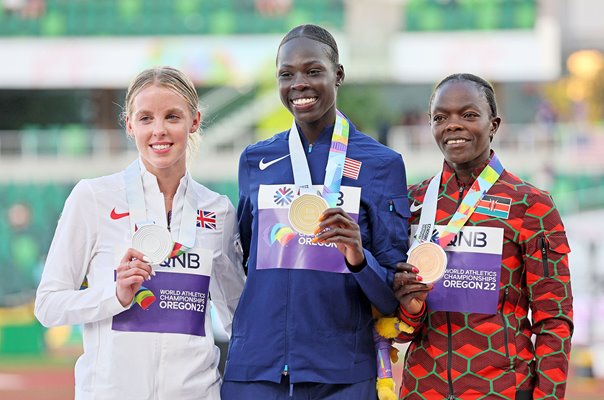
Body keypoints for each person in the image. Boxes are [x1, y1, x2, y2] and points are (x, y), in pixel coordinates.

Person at [221, 24, 410, 399]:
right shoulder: (255, 160)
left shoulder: (382, 164)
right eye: (286, 74)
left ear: (338, 75)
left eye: (313, 71)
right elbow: (248, 261)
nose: (299, 84)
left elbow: (391, 295)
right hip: (257, 370)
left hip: (340, 374)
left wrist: (358, 258)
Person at [34, 66, 246, 400]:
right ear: (130, 125)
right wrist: (114, 295)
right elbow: (48, 306)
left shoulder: (217, 209)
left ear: (194, 122)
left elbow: (239, 318)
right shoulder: (92, 198)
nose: (159, 130)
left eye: (173, 117)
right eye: (146, 118)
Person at [391, 73, 573, 399]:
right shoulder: (413, 203)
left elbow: (554, 321)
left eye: (469, 115)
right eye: (440, 117)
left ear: (494, 125)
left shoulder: (531, 204)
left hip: (501, 389)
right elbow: (401, 329)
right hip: (422, 388)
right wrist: (410, 307)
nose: (453, 125)